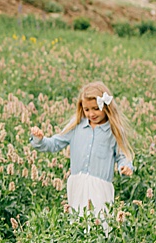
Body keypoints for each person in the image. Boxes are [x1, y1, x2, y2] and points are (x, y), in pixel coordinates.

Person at [29, 81, 134, 220]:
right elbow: (54, 144)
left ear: (106, 107)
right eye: (87, 109)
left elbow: (122, 156)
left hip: (100, 187)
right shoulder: (76, 127)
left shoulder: (113, 131)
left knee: (100, 223)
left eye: (96, 108)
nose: (91, 114)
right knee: (78, 223)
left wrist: (125, 167)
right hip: (77, 184)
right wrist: (40, 139)